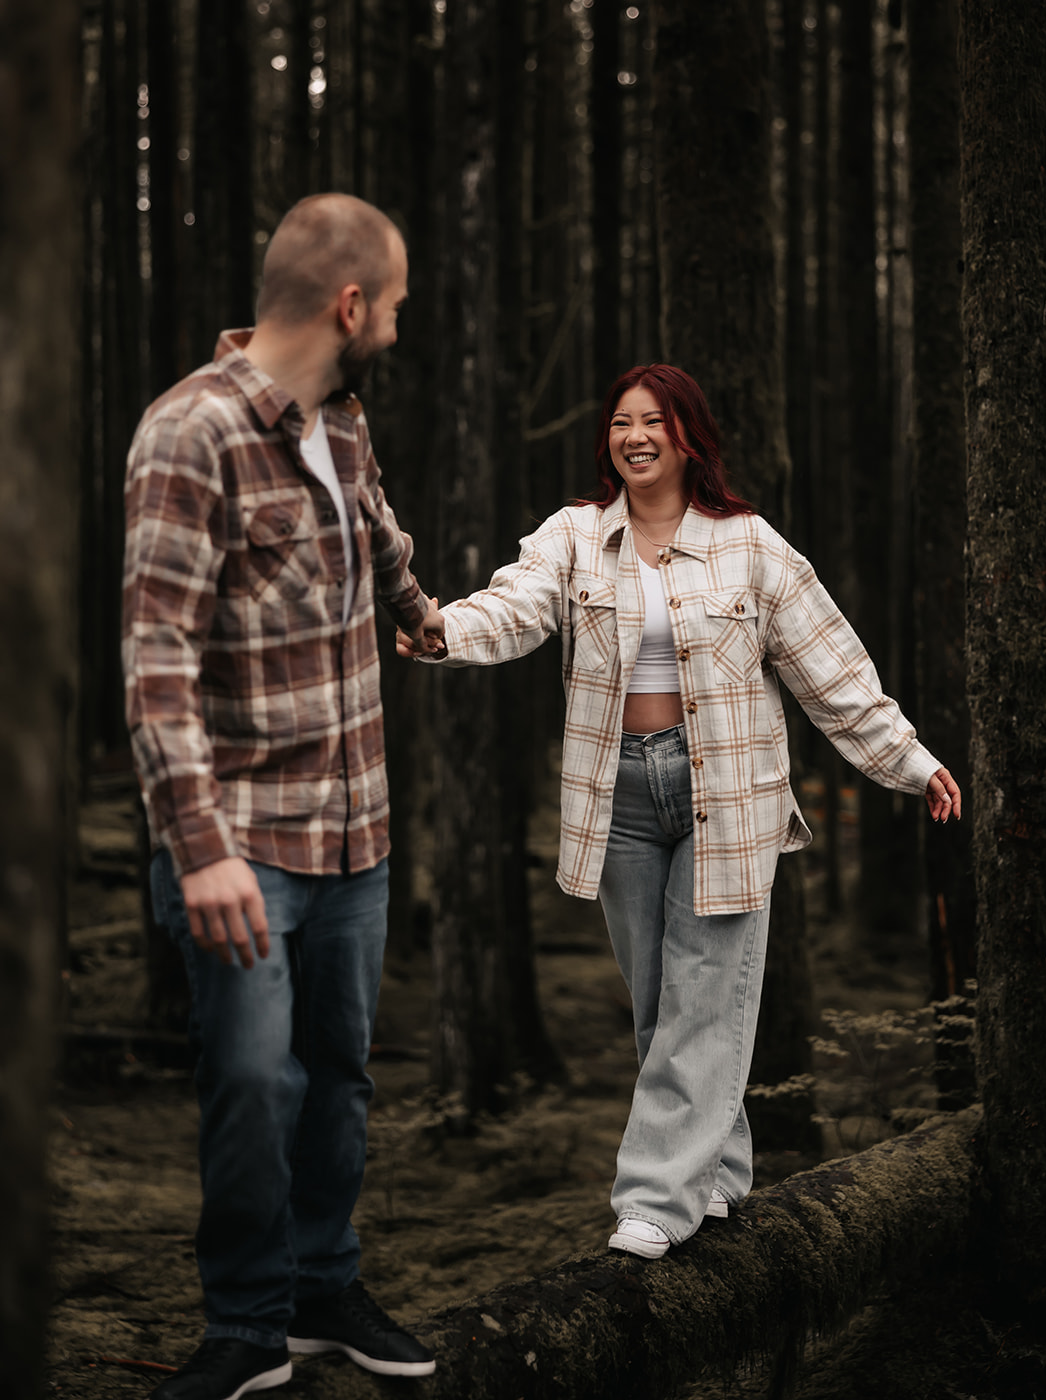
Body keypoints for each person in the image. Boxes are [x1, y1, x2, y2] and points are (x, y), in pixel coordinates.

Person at [398, 363, 961, 1261]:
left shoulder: (751, 547)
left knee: (705, 994)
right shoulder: (577, 537)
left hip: (725, 797)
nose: (634, 437)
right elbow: (515, 605)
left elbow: (833, 672)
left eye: (653, 421)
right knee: (665, 1005)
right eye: (620, 423)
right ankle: (718, 1179)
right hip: (616, 794)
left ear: (688, 435)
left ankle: (655, 1200)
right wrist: (442, 629)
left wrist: (909, 760)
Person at [123, 194, 444, 1399]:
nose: (399, 331)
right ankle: (247, 1321)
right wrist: (196, 848)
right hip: (242, 843)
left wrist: (419, 615)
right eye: (396, 307)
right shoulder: (188, 435)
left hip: (354, 829)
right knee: (254, 1080)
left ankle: (323, 1289)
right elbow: (153, 657)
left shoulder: (341, 422)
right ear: (348, 304)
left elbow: (377, 536)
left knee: (339, 1072)